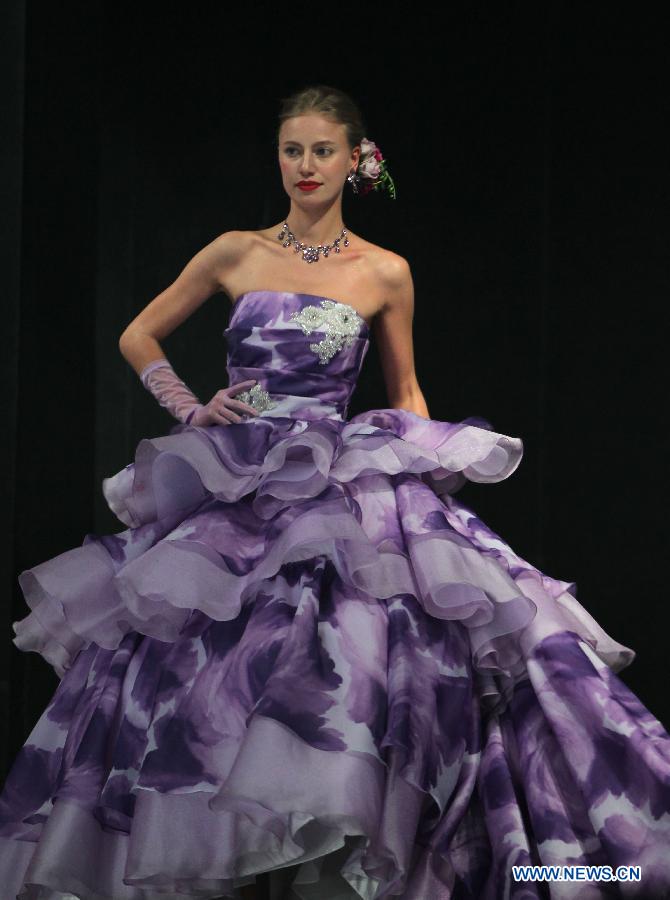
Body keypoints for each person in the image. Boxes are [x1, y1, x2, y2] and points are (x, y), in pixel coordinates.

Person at [0, 83, 669, 900]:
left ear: (356, 160)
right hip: (235, 479)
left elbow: (406, 392)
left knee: (344, 662)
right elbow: (137, 334)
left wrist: (429, 499)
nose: (305, 166)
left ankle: (340, 856)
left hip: (336, 477)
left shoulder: (384, 270)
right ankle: (222, 852)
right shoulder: (235, 251)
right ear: (277, 157)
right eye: (292, 150)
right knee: (193, 671)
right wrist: (190, 405)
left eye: (323, 151)